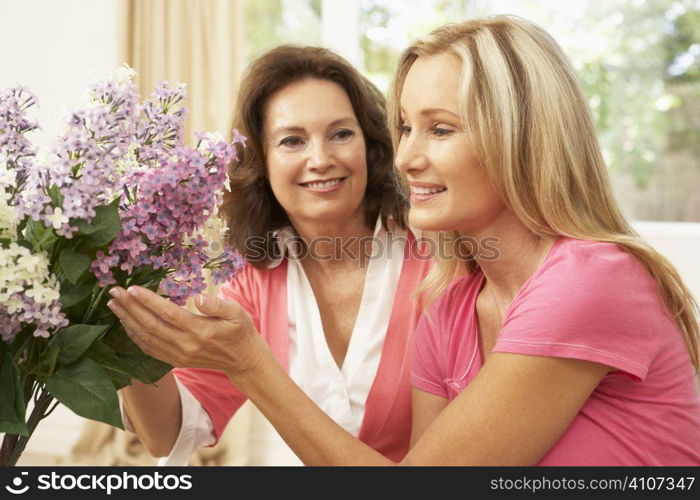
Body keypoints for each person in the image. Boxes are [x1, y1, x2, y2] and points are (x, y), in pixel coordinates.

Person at [108, 16, 700, 465]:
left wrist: (250, 364)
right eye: (407, 128)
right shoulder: (451, 304)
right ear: (260, 162)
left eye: (439, 129)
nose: (408, 156)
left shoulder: (580, 279)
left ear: (520, 138)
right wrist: (113, 310)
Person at [114, 45, 433, 465]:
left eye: (340, 134)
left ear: (371, 147)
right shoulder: (255, 278)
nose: (320, 159)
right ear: (261, 161)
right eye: (292, 140)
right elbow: (169, 432)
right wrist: (117, 316)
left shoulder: (436, 257)